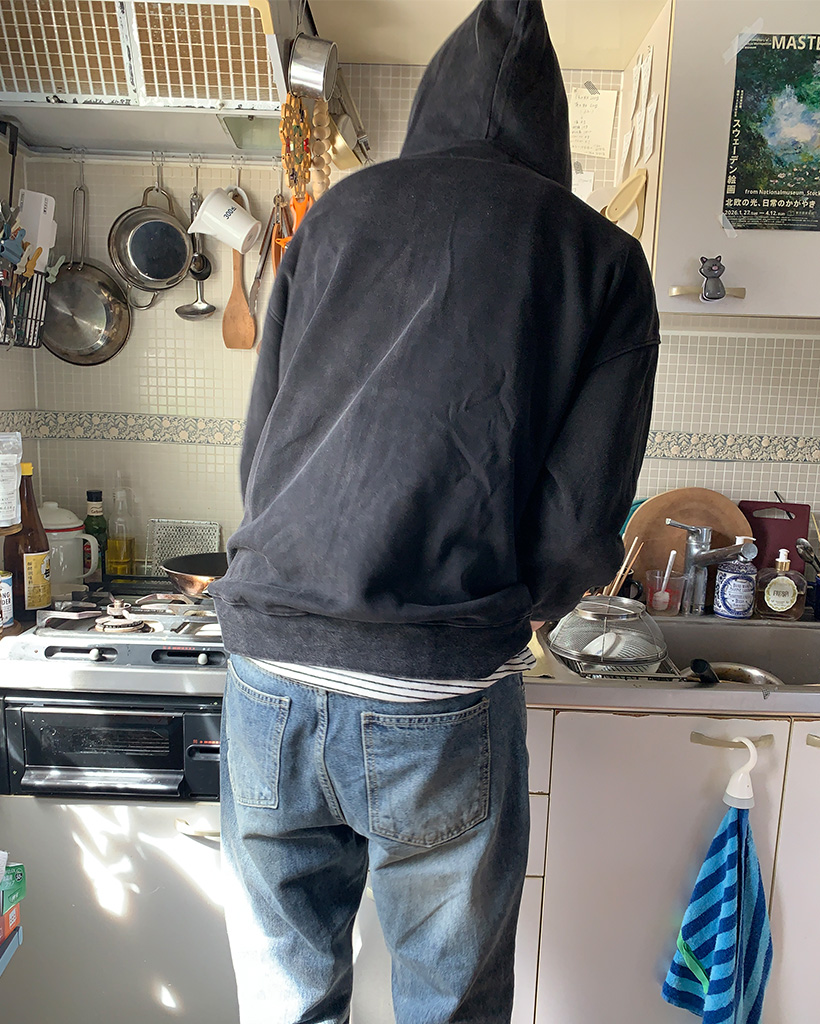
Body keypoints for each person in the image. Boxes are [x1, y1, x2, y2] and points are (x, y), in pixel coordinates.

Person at [209, 1, 660, 1021]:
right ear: (552, 130)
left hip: (271, 667)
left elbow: (262, 450)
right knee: (447, 1003)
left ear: (430, 103)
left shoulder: (335, 219)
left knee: (284, 999)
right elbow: (580, 521)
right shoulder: (598, 258)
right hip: (435, 684)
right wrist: (510, 606)